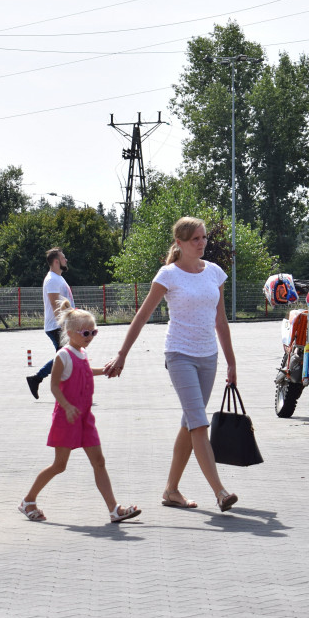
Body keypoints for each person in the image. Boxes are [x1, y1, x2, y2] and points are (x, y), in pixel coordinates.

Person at [103, 216, 239, 513]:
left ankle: (171, 490)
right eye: (195, 239)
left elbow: (221, 320)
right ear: (180, 243)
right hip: (179, 355)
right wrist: (122, 354)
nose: (202, 243)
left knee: (191, 422)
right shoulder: (169, 275)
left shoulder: (215, 273)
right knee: (199, 422)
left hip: (209, 356)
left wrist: (231, 361)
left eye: (204, 238)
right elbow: (141, 315)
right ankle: (220, 491)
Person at [18, 300, 141, 524]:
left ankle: (114, 509)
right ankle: (28, 501)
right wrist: (66, 405)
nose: (90, 336)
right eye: (86, 332)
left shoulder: (82, 353)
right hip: (66, 418)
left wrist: (105, 371)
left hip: (85, 418)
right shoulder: (62, 355)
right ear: (70, 332)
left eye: (94, 332)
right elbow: (54, 385)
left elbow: (84, 371)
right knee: (59, 465)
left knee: (99, 461)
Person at [25, 247, 74, 399]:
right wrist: (64, 326)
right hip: (57, 326)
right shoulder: (52, 279)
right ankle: (40, 380)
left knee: (65, 356)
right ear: (56, 261)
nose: (66, 260)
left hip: (61, 325)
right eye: (63, 257)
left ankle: (38, 379)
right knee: (65, 356)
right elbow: (55, 305)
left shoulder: (58, 278)